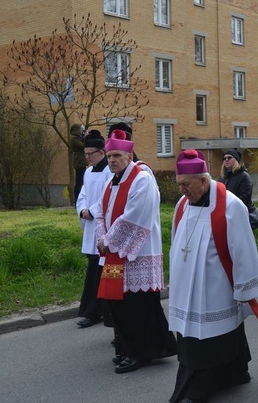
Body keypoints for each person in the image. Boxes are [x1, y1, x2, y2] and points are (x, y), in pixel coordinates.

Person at [168, 150, 258, 403]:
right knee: (206, 333)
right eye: (179, 184)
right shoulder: (182, 204)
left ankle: (200, 387)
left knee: (212, 337)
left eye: (186, 184)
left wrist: (245, 290)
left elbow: (243, 249)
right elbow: (175, 241)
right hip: (187, 283)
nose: (182, 190)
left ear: (203, 180)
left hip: (216, 285)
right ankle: (236, 371)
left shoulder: (230, 204)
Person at [93, 130, 176, 373]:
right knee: (118, 304)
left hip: (137, 253)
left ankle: (139, 353)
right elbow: (99, 211)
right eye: (108, 156)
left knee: (137, 307)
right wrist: (102, 238)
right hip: (114, 251)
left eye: (116, 155)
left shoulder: (142, 179)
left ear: (129, 156)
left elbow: (136, 217)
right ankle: (135, 348)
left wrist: (109, 241)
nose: (111, 160)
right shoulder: (111, 181)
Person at [75, 130, 113, 328]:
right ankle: (91, 311)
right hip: (90, 227)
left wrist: (93, 210)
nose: (87, 157)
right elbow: (82, 194)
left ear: (101, 152)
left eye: (90, 153)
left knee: (104, 272)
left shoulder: (110, 171)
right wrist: (82, 210)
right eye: (86, 154)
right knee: (92, 272)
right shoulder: (88, 172)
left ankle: (104, 312)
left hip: (102, 226)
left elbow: (109, 197)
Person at [70, 123, 87, 203]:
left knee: (80, 182)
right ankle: (77, 201)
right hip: (79, 162)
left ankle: (79, 200)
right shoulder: (74, 139)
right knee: (79, 182)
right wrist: (86, 137)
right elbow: (83, 146)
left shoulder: (79, 138)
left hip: (81, 161)